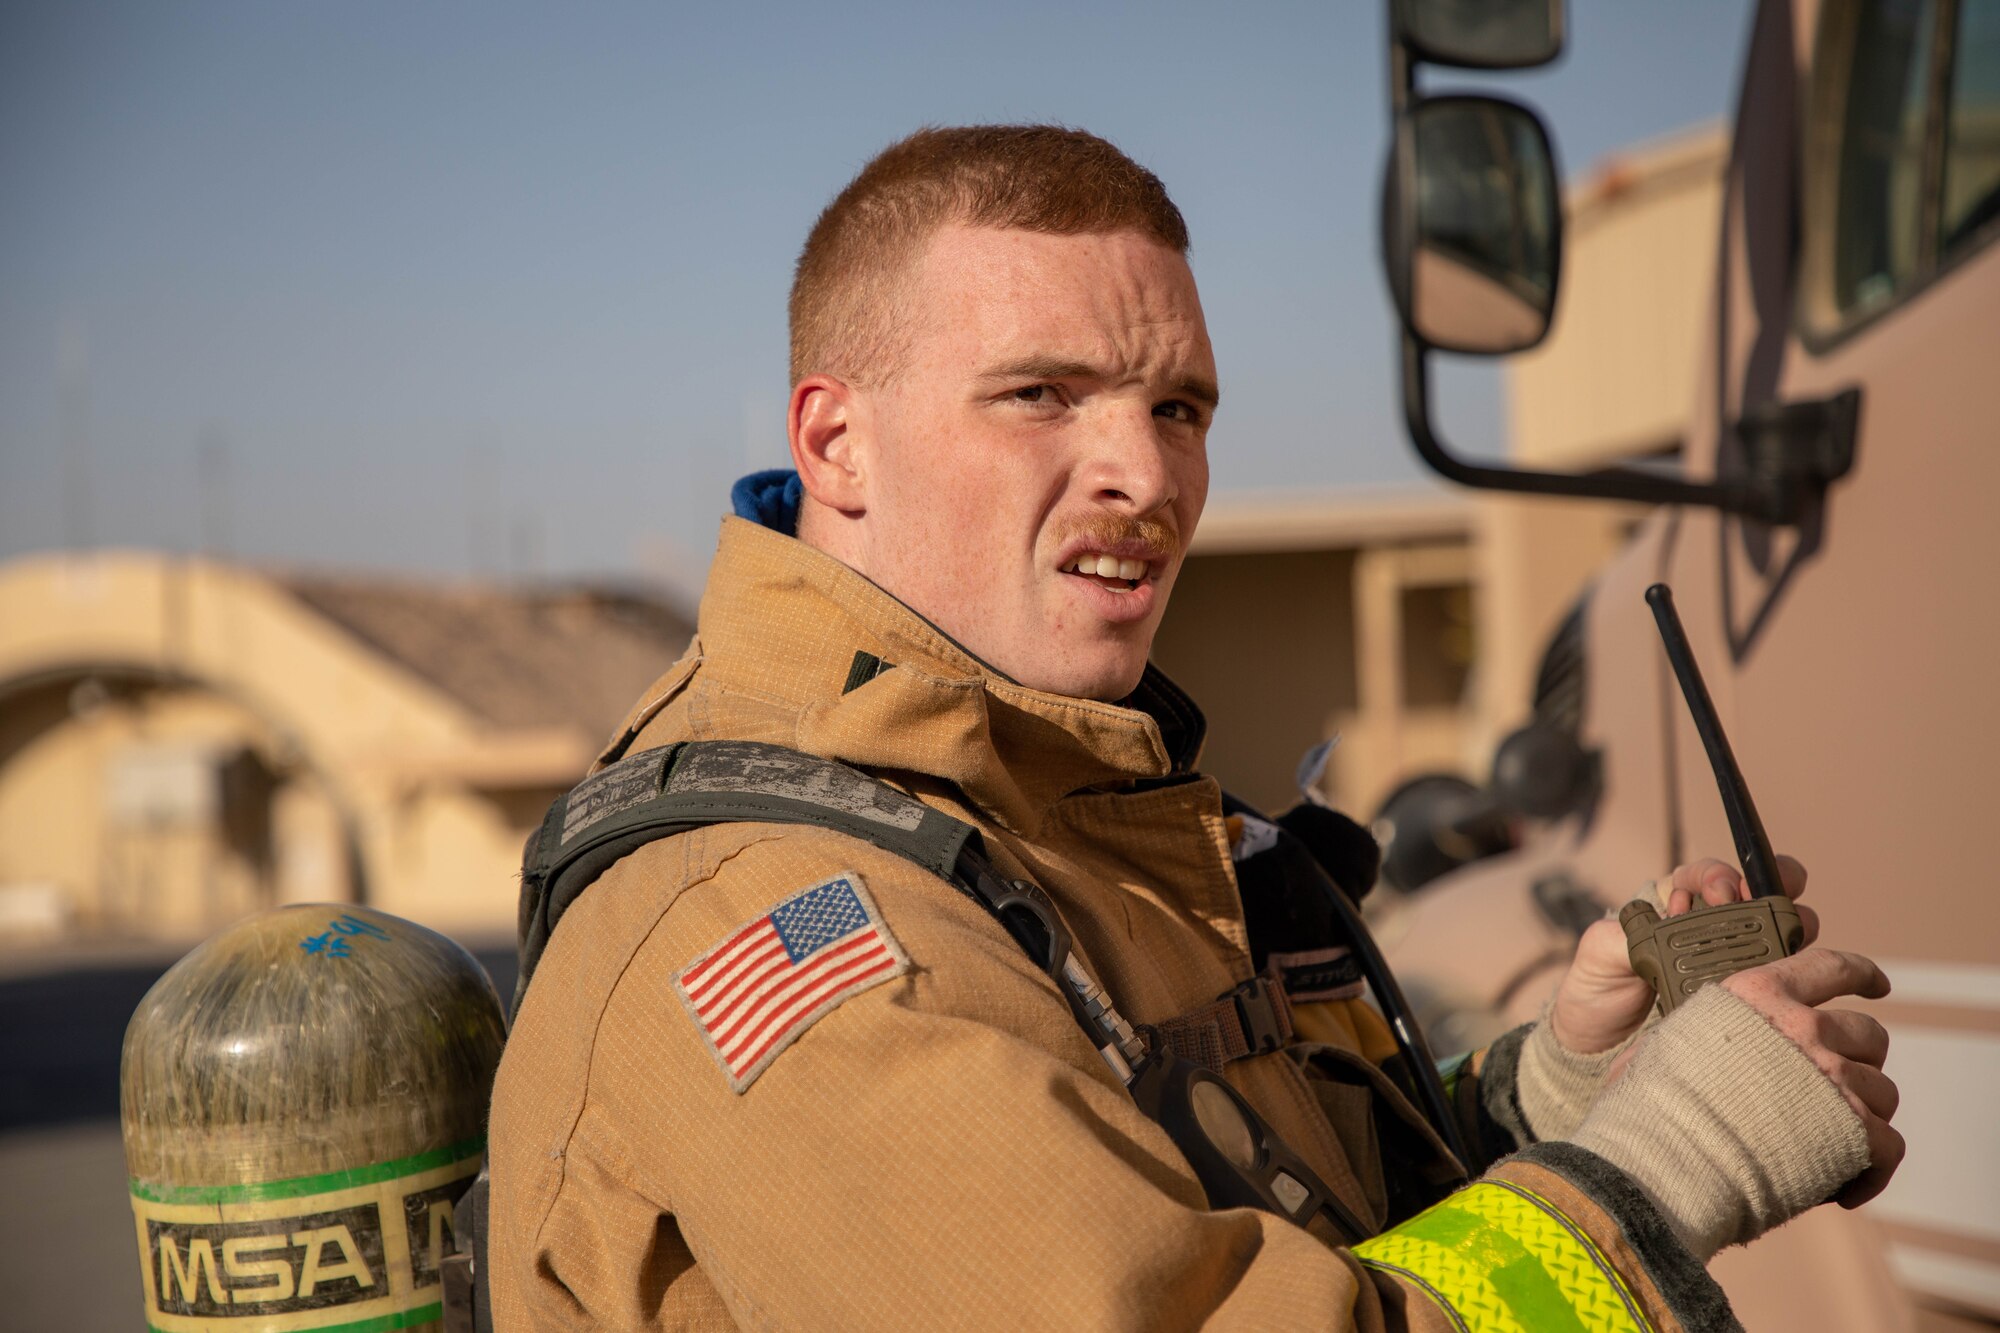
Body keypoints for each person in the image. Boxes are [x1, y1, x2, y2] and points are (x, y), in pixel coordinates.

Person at [488, 125, 1901, 1331]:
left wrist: (1553, 1096)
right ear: (835, 443)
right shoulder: (781, 919)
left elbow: (1266, 1205)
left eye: (1180, 406)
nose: (1146, 471)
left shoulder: (1032, 787)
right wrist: (1674, 1160)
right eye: (1041, 393)